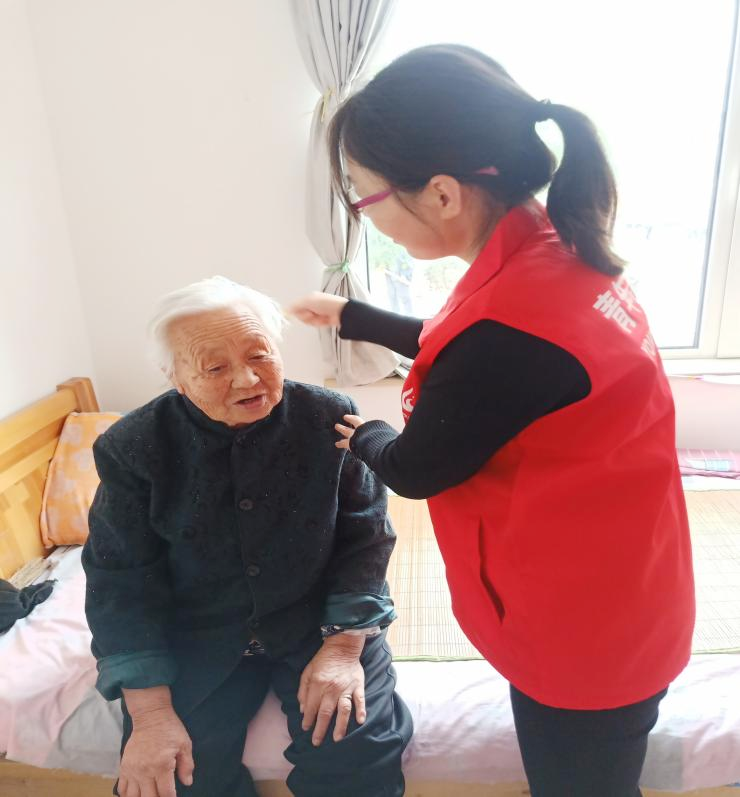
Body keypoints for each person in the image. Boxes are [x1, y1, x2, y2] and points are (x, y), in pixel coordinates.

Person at [289, 44, 695, 797]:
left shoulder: (511, 330)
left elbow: (418, 465)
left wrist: (364, 437)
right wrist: (355, 316)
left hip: (585, 631)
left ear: (443, 194)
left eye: (367, 200)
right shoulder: (554, 245)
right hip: (625, 579)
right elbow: (467, 346)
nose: (372, 220)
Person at [82, 276, 412, 797]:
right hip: (197, 632)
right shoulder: (133, 447)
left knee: (354, 758)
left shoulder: (328, 416)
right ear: (176, 378)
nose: (247, 379)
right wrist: (149, 712)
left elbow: (366, 533)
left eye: (260, 355)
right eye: (215, 368)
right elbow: (119, 576)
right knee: (176, 778)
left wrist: (344, 646)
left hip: (316, 619)